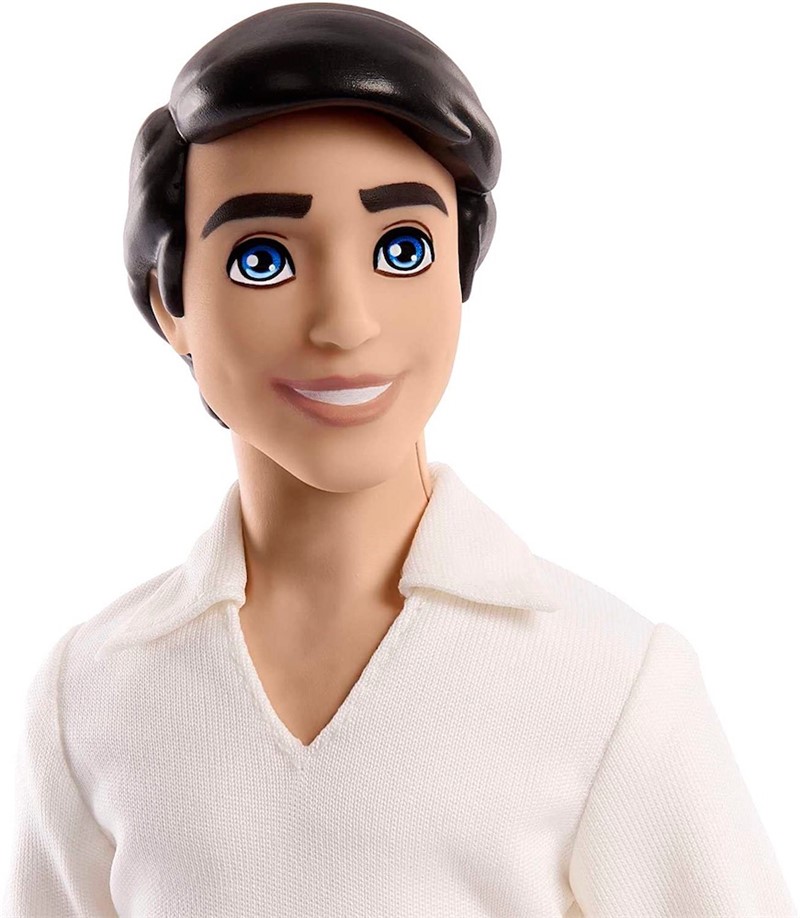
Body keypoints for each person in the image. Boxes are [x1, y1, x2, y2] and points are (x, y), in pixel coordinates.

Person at [3, 4, 796, 916]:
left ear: (461, 274)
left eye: (403, 248)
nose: (346, 323)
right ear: (169, 301)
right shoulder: (91, 698)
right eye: (263, 259)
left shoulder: (607, 683)